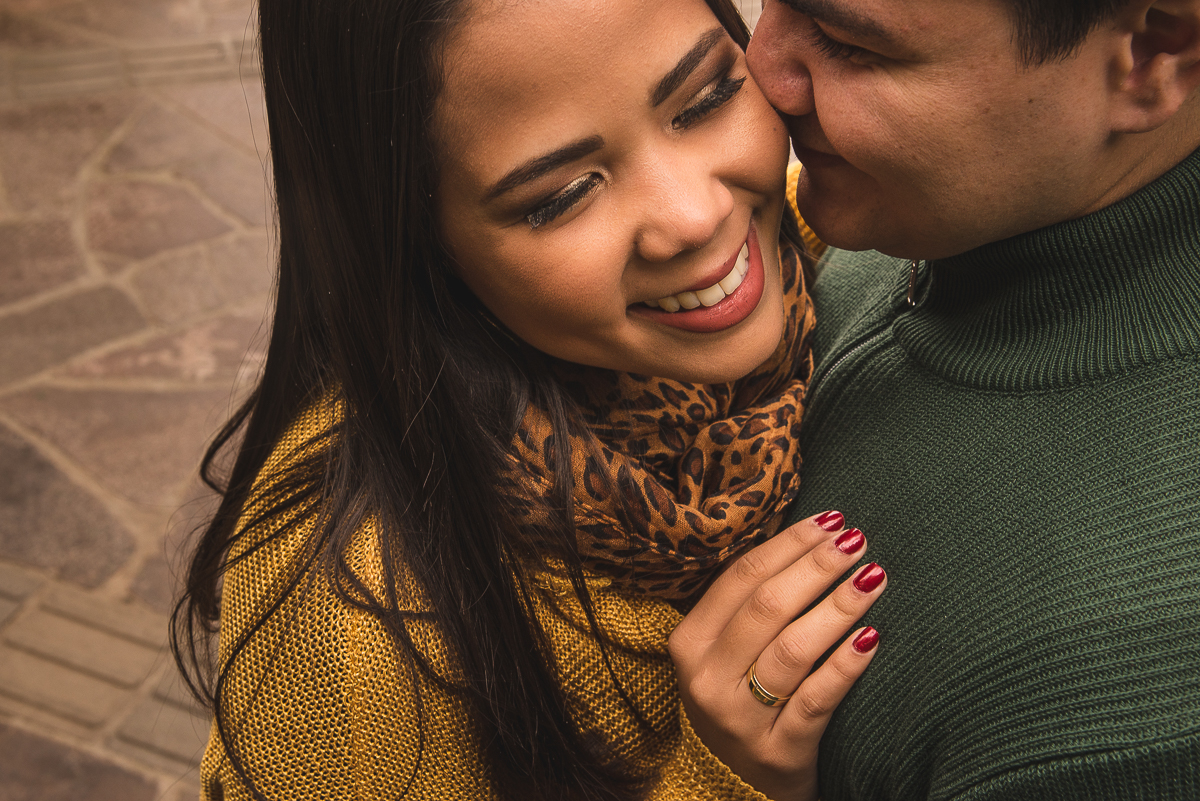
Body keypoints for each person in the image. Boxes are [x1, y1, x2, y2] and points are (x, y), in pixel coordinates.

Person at [172, 1, 888, 800]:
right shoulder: (348, 622)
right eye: (562, 195)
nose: (695, 216)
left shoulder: (846, 250)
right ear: (419, 240)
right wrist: (720, 782)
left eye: (706, 99)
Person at [737, 0, 1200, 798]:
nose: (762, 70)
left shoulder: (1113, 712)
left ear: (1155, 55)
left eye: (848, 44)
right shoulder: (962, 207)